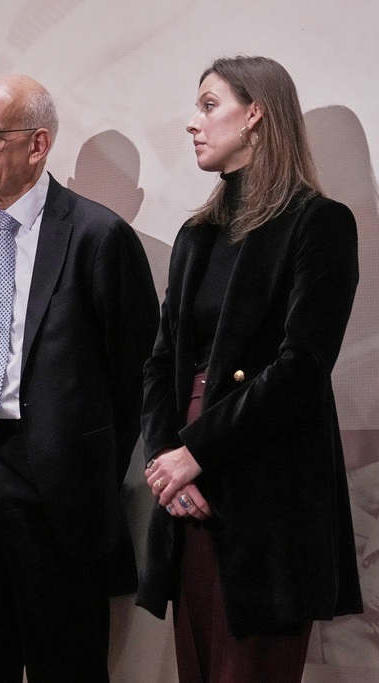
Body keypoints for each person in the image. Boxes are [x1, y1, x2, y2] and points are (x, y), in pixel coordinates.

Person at [137, 55, 363, 682]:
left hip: (267, 501)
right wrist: (167, 465)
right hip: (188, 491)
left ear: (257, 112)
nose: (193, 123)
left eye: (210, 105)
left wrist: (195, 450)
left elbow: (302, 369)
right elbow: (161, 365)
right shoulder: (196, 235)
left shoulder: (318, 224)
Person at [0, 74, 158, 681]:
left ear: (38, 145)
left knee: (67, 663)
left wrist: (87, 466)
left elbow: (135, 372)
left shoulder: (98, 236)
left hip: (58, 488)